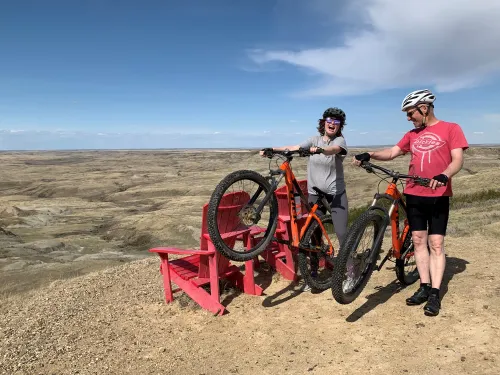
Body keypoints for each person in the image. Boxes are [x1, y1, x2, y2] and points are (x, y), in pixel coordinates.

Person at [353, 89, 469, 316]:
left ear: (424, 108)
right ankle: (424, 287)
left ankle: (435, 294)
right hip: (415, 193)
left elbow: (457, 160)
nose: (408, 118)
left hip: (438, 195)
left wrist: (444, 175)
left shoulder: (451, 128)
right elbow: (393, 152)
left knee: (436, 243)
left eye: (410, 113)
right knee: (418, 240)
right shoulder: (411, 134)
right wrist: (369, 154)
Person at [260, 107, 349, 247]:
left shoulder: (339, 141)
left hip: (335, 195)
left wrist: (321, 150)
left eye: (336, 121)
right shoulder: (314, 139)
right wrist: (273, 149)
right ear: (324, 122)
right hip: (315, 195)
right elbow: (295, 147)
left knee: (342, 233)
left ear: (340, 125)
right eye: (330, 120)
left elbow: (333, 150)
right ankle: (314, 266)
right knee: (314, 233)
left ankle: (351, 267)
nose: (332, 123)